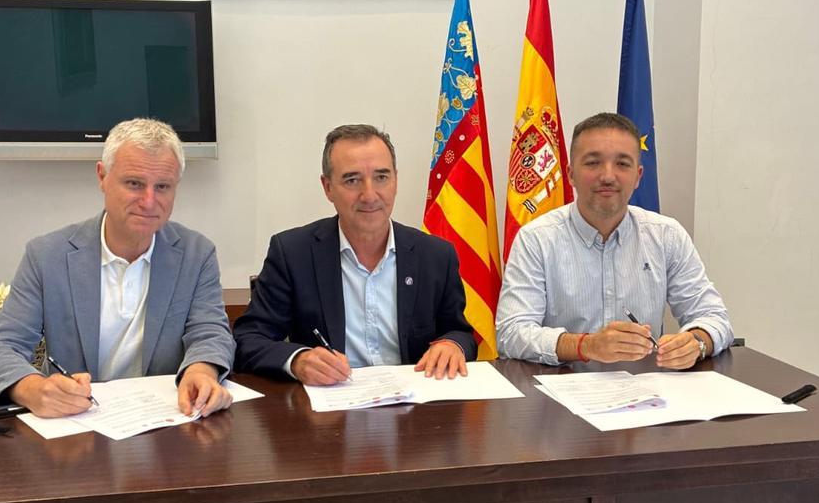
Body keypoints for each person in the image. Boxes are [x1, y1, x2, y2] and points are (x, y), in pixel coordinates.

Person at [0, 118, 236, 417]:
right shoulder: (47, 255)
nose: (149, 201)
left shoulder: (196, 253)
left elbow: (210, 332)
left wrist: (202, 372)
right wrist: (32, 388)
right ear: (102, 176)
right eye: (134, 183)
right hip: (77, 427)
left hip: (166, 425)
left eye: (162, 186)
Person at [233, 124, 475, 385]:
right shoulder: (293, 253)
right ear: (327, 188)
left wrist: (452, 344)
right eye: (352, 180)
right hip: (330, 410)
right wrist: (298, 359)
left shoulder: (435, 255)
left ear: (395, 180)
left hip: (415, 408)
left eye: (381, 177)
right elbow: (249, 338)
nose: (369, 195)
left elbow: (458, 330)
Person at [496, 112, 733, 368]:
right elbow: (511, 333)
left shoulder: (666, 235)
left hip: (646, 394)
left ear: (638, 176)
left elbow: (714, 317)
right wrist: (585, 345)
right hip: (561, 394)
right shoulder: (536, 239)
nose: (608, 176)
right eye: (593, 162)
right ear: (571, 174)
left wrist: (697, 342)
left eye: (622, 164)